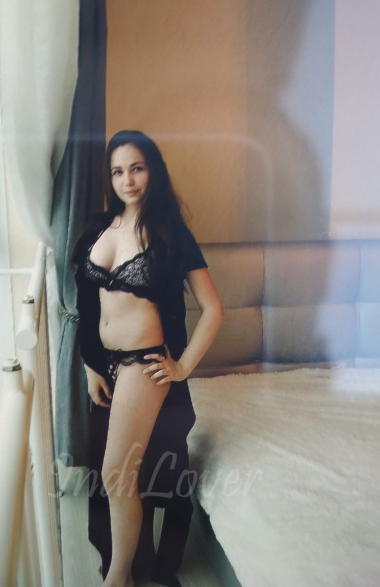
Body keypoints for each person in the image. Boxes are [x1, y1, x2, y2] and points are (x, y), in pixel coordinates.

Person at [73, 130, 224, 587]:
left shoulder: (171, 234)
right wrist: (90, 365)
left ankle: (119, 577)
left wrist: (182, 366)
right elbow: (87, 304)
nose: (128, 180)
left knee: (117, 473)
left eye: (137, 168)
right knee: (113, 474)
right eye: (118, 171)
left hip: (144, 363)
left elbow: (213, 308)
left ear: (152, 170)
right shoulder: (100, 229)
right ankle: (121, 567)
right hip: (106, 363)